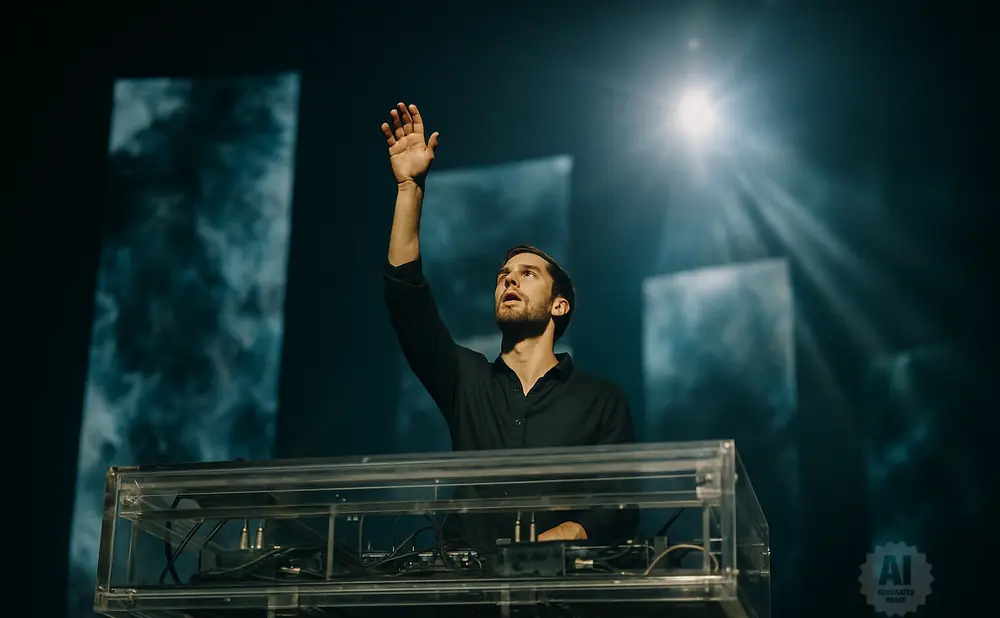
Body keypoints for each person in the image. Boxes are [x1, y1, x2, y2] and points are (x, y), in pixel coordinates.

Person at [380, 102, 637, 546]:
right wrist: (409, 190)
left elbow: (619, 504)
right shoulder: (467, 380)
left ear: (559, 307)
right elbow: (406, 298)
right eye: (503, 276)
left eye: (527, 274)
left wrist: (554, 542)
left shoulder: (600, 400)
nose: (509, 280)